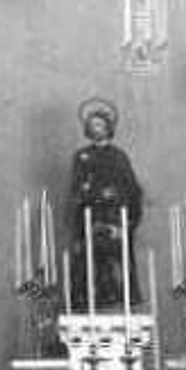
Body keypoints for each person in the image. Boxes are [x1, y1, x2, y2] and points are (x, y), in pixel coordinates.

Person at [67, 97, 142, 311]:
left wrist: (125, 221)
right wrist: (87, 195)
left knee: (116, 262)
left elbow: (131, 189)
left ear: (108, 128)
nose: (96, 129)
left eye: (99, 125)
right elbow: (78, 189)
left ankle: (120, 297)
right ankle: (90, 298)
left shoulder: (118, 156)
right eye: (91, 126)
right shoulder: (82, 156)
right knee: (88, 263)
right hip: (90, 218)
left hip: (113, 218)